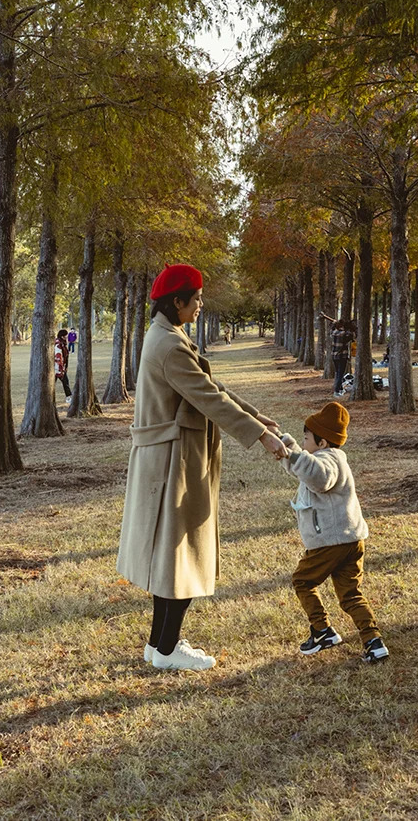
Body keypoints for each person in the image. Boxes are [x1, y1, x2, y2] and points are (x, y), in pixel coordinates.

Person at [116, 263, 288, 672]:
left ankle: (159, 644)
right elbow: (208, 399)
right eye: (195, 299)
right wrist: (260, 435)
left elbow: (211, 389)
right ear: (177, 302)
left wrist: (256, 417)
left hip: (173, 457)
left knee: (171, 555)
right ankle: (167, 649)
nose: (200, 304)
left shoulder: (165, 336)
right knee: (181, 555)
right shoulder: (169, 346)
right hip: (174, 461)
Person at [277, 401, 388, 663]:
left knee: (303, 581)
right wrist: (285, 449)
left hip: (330, 541)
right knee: (350, 594)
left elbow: (318, 477)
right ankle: (373, 641)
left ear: (323, 442)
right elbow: (303, 470)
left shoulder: (328, 461)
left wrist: (293, 453)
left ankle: (322, 630)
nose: (304, 444)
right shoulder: (327, 458)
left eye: (306, 439)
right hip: (352, 540)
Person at [331, 320, 352, 395]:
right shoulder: (344, 334)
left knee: (338, 373)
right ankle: (336, 391)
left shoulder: (334, 332)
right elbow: (351, 336)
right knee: (340, 374)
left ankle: (340, 389)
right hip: (342, 356)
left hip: (334, 356)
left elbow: (332, 327)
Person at [54, 328, 72, 402]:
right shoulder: (58, 344)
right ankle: (68, 397)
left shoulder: (63, 344)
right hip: (57, 368)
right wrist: (61, 368)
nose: (67, 338)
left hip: (61, 367)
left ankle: (68, 397)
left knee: (65, 382)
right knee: (65, 382)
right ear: (62, 336)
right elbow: (58, 356)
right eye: (66, 336)